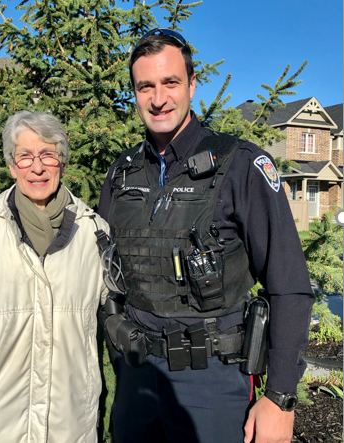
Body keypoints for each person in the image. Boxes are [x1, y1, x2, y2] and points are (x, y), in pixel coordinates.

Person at [98, 28, 314, 443]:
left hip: (213, 382)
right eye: (145, 86)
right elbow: (106, 275)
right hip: (137, 380)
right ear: (135, 93)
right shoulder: (121, 173)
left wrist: (281, 397)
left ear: (192, 85)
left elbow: (289, 286)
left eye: (170, 82)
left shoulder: (242, 165)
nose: (158, 98)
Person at [0, 110, 110, 443]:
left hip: (68, 425)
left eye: (47, 155)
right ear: (12, 166)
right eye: (25, 156)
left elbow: (119, 313)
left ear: (63, 163)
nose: (37, 167)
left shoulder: (94, 233)